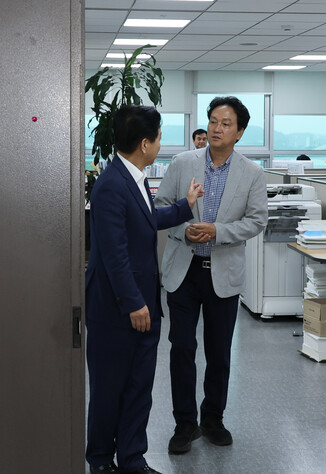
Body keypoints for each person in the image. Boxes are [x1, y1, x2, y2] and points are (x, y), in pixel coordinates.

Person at [85, 105, 204, 474]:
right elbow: (114, 254)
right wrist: (134, 303)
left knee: (138, 387)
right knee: (109, 389)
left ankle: (132, 458)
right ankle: (101, 460)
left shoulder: (132, 177)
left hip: (143, 306)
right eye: (159, 137)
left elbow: (146, 220)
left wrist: (185, 206)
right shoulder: (111, 185)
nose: (160, 144)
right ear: (144, 143)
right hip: (118, 309)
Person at [154, 96, 268, 454]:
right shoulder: (182, 163)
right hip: (184, 272)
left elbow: (256, 221)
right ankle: (185, 424)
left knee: (219, 353)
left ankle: (213, 419)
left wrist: (218, 231)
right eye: (214, 121)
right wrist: (183, 230)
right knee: (181, 348)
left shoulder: (252, 173)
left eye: (226, 123)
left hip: (223, 273)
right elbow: (161, 207)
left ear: (240, 132)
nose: (217, 128)